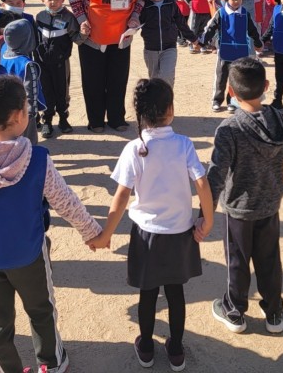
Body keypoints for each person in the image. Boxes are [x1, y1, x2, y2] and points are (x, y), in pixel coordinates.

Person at [0, 76, 101, 373]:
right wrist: (91, 232)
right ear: (19, 116)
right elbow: (65, 201)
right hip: (29, 255)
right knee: (42, 311)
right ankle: (51, 363)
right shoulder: (36, 158)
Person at [88, 79, 213, 371]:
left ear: (140, 113)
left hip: (146, 235)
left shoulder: (135, 148)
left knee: (147, 293)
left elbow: (120, 198)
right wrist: (206, 220)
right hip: (180, 232)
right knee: (175, 292)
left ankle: (145, 346)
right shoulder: (183, 144)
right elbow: (202, 184)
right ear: (170, 109)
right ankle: (177, 350)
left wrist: (106, 233)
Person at [207, 58, 283, 334]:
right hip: (269, 205)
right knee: (269, 261)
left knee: (237, 261)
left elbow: (217, 175)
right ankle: (274, 312)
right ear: (266, 86)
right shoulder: (278, 119)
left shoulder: (229, 129)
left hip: (239, 210)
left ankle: (234, 310)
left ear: (230, 92)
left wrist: (204, 212)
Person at [68, 0, 145, 133]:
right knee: (93, 81)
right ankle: (95, 121)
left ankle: (116, 118)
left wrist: (135, 18)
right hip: (93, 37)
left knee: (117, 80)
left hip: (121, 37)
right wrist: (82, 18)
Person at [200, 0, 263, 113]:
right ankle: (217, 100)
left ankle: (232, 102)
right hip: (225, 51)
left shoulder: (245, 14)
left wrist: (258, 43)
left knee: (237, 79)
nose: (236, 1)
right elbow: (211, 28)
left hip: (241, 51)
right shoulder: (221, 13)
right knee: (221, 77)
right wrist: (202, 42)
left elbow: (253, 30)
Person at [35, 0, 86, 139]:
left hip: (61, 63)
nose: (53, 2)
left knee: (62, 91)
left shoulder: (68, 17)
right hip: (42, 63)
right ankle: (47, 121)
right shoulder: (40, 17)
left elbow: (76, 39)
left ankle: (63, 120)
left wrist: (83, 33)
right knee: (46, 91)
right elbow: (36, 39)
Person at [139, 0, 199, 89]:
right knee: (154, 79)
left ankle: (167, 105)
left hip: (169, 48)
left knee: (167, 77)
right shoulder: (144, 6)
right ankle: (156, 105)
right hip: (151, 49)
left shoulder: (171, 4)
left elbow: (181, 23)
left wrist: (193, 39)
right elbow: (135, 24)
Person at [1, 19, 45, 145]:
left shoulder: (2, 54)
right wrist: (32, 113)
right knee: (29, 142)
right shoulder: (27, 64)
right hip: (23, 111)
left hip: (5, 108)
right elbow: (31, 90)